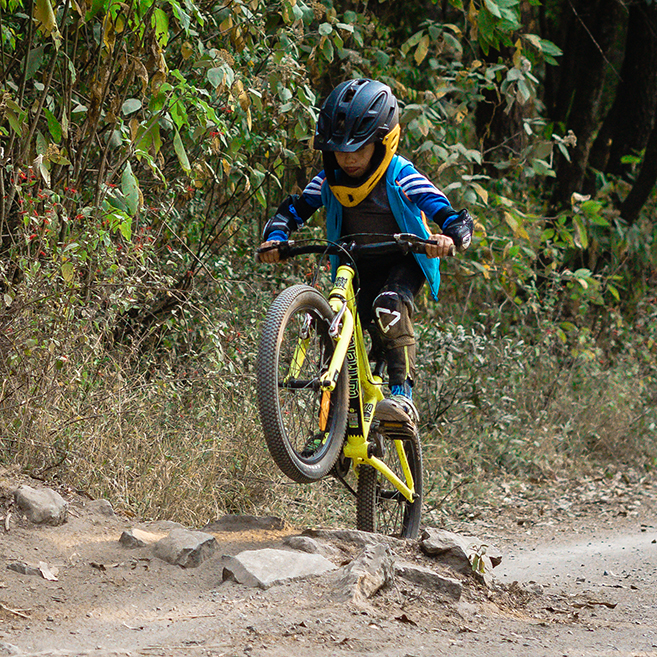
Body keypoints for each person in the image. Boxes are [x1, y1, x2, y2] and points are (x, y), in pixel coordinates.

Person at [257, 78, 473, 430]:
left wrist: (450, 236)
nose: (349, 158)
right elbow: (291, 212)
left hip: (403, 259)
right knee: (336, 319)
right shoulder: (329, 179)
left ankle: (403, 396)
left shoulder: (401, 175)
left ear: (384, 142)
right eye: (339, 149)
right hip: (354, 262)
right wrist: (277, 239)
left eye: (360, 147)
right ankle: (340, 412)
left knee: (388, 304)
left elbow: (449, 215)